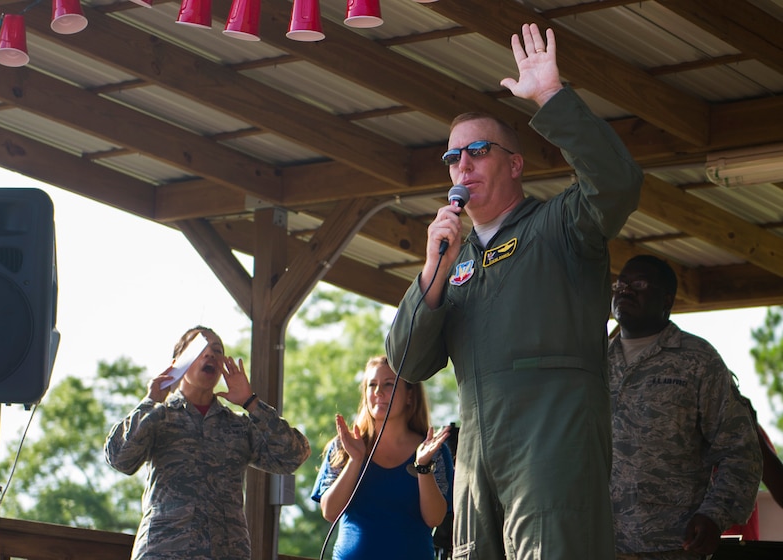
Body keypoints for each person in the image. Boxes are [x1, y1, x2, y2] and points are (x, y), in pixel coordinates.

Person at [385, 23, 643, 560]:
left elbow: (617, 182)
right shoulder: (454, 257)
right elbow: (406, 360)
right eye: (453, 158)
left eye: (478, 151)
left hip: (553, 448)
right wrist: (434, 269)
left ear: (515, 164)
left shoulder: (559, 225)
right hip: (477, 458)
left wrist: (551, 96)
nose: (463, 166)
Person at [104, 326, 311, 560]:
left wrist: (251, 402)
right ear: (178, 362)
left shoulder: (239, 427)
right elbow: (120, 459)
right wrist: (150, 400)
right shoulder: (157, 417)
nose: (210, 354)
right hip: (164, 552)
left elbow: (293, 456)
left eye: (217, 350)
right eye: (200, 347)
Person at [609, 255, 763, 558]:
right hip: (600, 542)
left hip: (673, 545)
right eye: (621, 284)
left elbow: (740, 451)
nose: (625, 291)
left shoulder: (698, 360)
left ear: (667, 299)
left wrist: (714, 514)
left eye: (638, 284)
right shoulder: (594, 362)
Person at [310, 356, 454, 560]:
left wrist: (423, 466)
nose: (378, 392)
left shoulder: (434, 451)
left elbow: (434, 518)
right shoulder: (344, 446)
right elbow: (330, 512)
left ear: (410, 396)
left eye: (389, 384)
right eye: (372, 385)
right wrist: (356, 460)